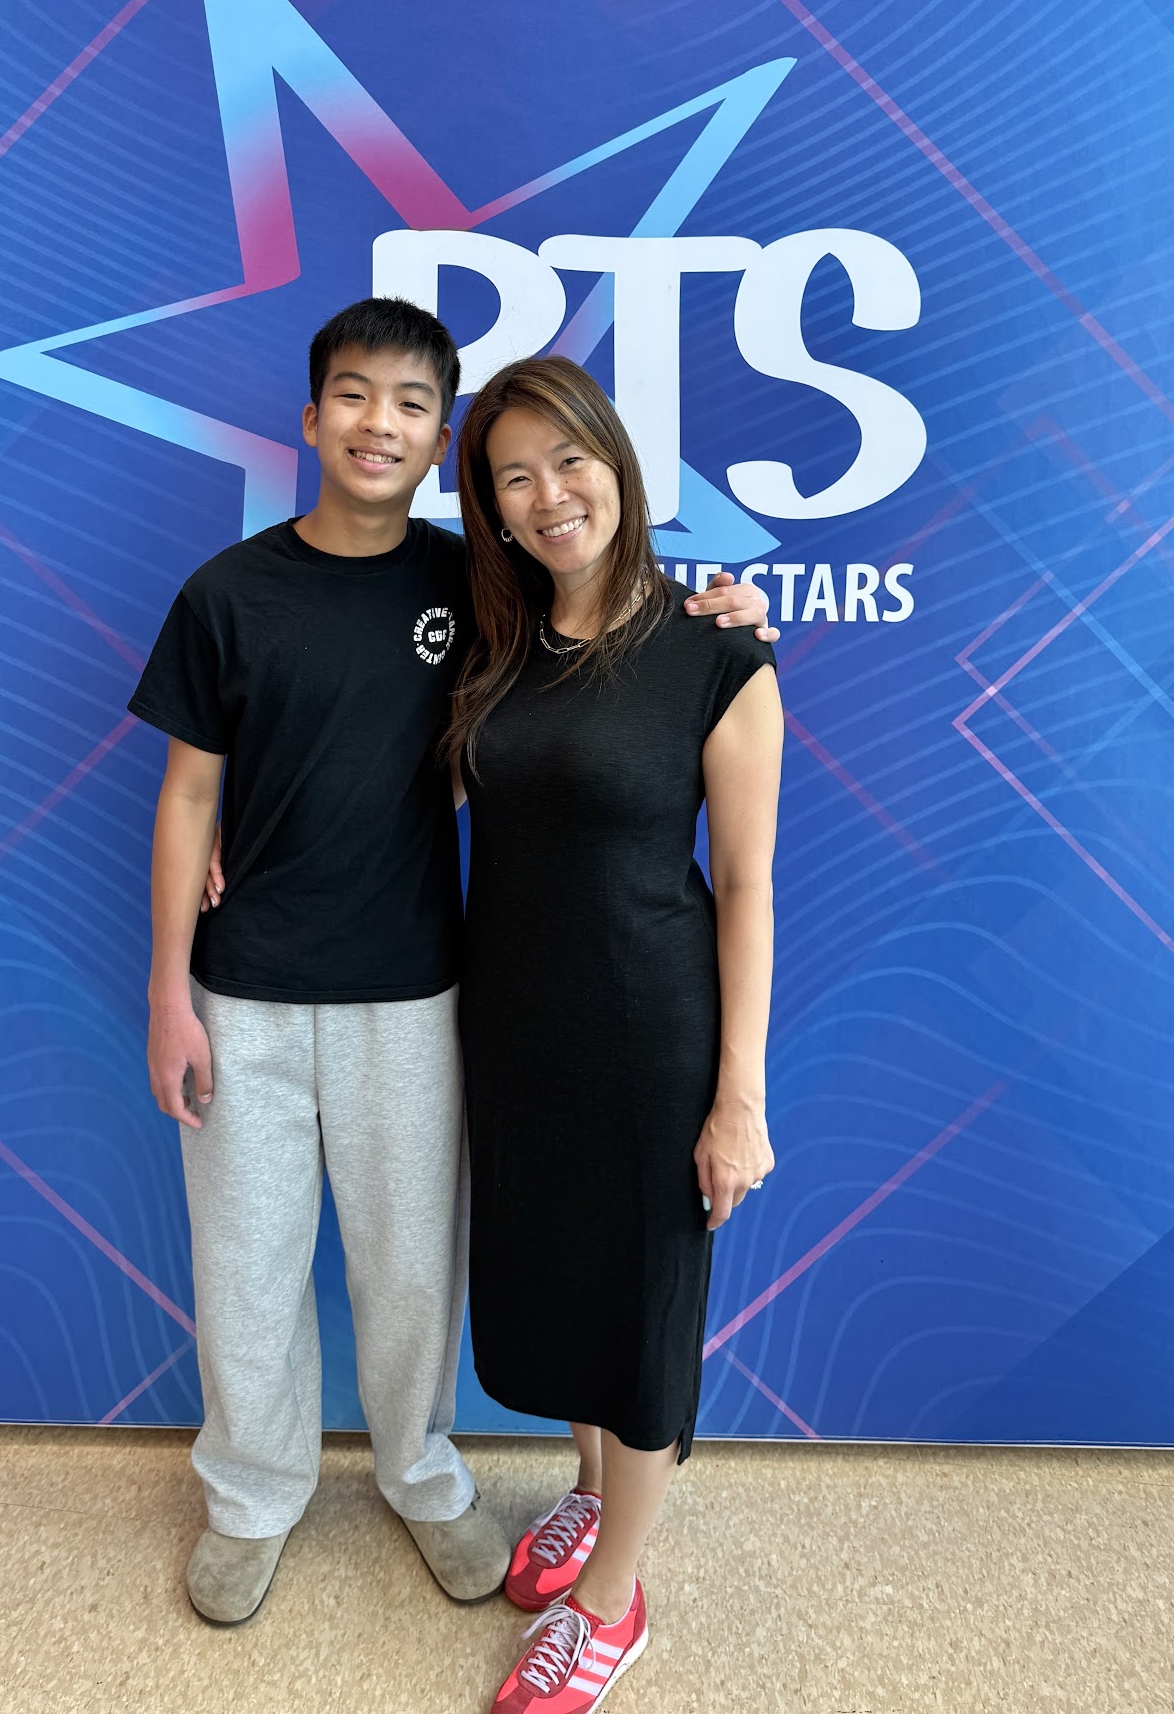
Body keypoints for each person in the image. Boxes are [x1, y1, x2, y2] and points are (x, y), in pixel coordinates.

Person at [129, 299, 776, 1628]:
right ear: (311, 417)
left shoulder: (475, 591)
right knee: (244, 1271)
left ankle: (424, 1479)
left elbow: (623, 651)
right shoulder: (229, 594)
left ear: (438, 447)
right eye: (353, 396)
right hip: (249, 986)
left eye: (414, 405)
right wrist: (167, 986)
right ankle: (250, 1497)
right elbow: (190, 792)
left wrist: (726, 609)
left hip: (423, 988)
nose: (380, 424)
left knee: (414, 1273)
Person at [448, 356, 782, 1713]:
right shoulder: (496, 644)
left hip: (652, 1037)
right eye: (514, 476)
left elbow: (747, 886)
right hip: (517, 1032)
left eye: (569, 461)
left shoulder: (718, 654)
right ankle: (591, 1492)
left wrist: (738, 1098)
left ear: (619, 464)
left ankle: (612, 1605)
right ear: (490, 505)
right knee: (568, 1287)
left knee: (640, 1317)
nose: (549, 496)